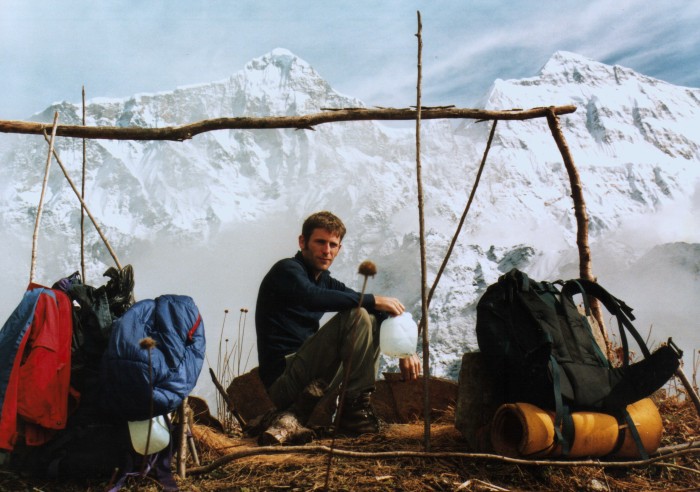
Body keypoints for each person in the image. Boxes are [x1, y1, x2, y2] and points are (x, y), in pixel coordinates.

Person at [255, 211, 421, 434]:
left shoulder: (324, 280)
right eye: (320, 242)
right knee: (357, 315)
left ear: (339, 249)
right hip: (283, 382)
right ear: (302, 241)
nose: (327, 251)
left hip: (310, 378)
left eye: (333, 245)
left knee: (369, 317)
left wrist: (406, 349)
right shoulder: (287, 270)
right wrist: (373, 299)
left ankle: (358, 404)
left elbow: (371, 308)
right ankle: (353, 411)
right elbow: (311, 296)